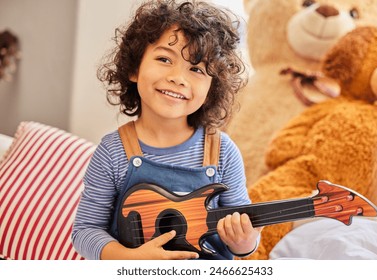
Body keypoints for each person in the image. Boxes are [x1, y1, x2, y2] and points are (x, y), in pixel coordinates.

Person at [72, 0, 260, 260]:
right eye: (164, 59)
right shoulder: (113, 151)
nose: (178, 78)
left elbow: (242, 236)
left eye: (196, 68)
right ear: (134, 68)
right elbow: (85, 230)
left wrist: (245, 241)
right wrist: (131, 258)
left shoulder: (223, 152)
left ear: (211, 88)